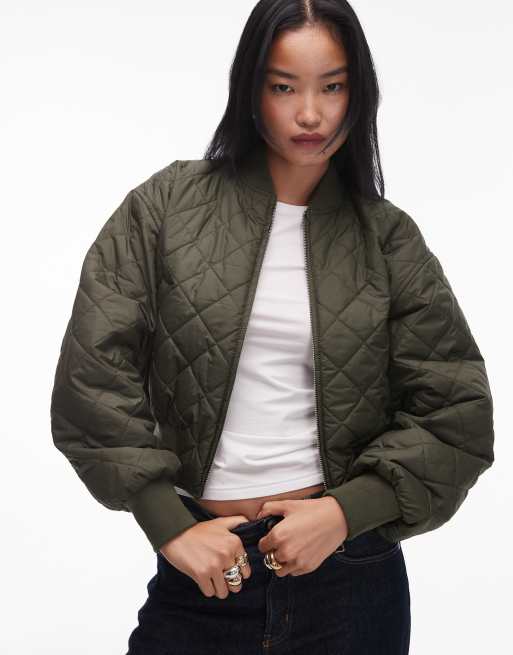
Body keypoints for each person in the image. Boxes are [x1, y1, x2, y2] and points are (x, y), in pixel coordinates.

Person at [50, 1, 495, 653]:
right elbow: (91, 378)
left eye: (332, 86)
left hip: (348, 579)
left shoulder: (386, 238)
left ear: (358, 93)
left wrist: (345, 512)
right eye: (284, 87)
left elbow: (458, 413)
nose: (309, 113)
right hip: (203, 575)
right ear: (250, 89)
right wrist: (168, 522)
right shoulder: (167, 208)